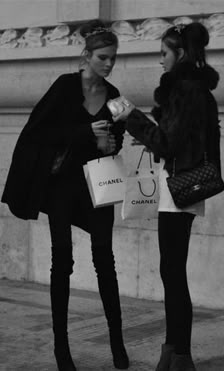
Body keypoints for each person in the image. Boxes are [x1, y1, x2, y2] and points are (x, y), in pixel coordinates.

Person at [1, 20, 129, 371]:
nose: (108, 64)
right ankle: (62, 349)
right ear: (86, 56)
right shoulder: (64, 87)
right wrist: (86, 132)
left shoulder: (116, 95)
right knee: (63, 262)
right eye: (103, 57)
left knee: (105, 259)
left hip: (98, 185)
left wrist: (110, 141)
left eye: (113, 58)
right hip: (62, 186)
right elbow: (38, 132)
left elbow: (118, 138)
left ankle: (117, 342)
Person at [113, 22, 221, 371]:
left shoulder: (185, 90)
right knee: (171, 271)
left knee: (172, 274)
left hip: (179, 189)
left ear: (181, 54)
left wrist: (131, 118)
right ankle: (173, 351)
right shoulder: (200, 91)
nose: (160, 61)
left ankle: (181, 356)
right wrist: (153, 136)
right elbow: (187, 141)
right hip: (186, 185)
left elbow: (167, 143)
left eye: (164, 54)